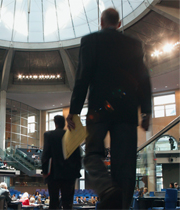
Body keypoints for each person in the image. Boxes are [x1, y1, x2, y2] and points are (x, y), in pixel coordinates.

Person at [66, 8, 152, 210]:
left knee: (92, 155)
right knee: (126, 165)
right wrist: (146, 110)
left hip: (99, 109)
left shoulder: (90, 40)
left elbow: (82, 77)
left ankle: (106, 189)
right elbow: (143, 79)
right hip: (127, 112)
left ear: (101, 22)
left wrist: (74, 111)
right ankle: (122, 206)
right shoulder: (134, 44)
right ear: (119, 23)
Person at [42, 115, 81, 209]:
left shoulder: (48, 135)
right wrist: (77, 170)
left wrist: (44, 171)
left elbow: (45, 155)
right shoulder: (71, 135)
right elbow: (78, 156)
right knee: (67, 202)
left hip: (54, 173)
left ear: (55, 123)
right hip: (70, 174)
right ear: (64, 123)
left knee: (54, 202)